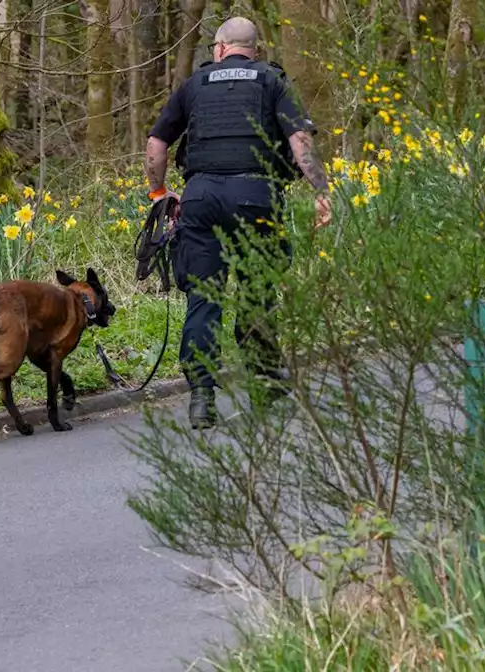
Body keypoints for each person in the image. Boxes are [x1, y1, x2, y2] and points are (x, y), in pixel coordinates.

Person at [144, 16, 332, 430]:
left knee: (204, 297)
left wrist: (160, 193)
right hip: (257, 199)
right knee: (256, 291)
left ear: (218, 48)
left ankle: (201, 397)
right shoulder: (272, 81)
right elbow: (300, 141)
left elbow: (157, 144)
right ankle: (265, 382)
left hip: (201, 199)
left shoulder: (195, 85)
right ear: (255, 51)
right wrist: (321, 189)